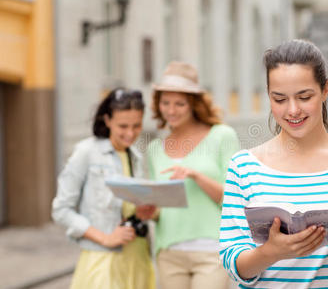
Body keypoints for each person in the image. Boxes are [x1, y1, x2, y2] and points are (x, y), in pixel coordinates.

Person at [219, 40, 328, 288]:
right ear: (268, 96)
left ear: (325, 90)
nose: (293, 110)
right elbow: (232, 262)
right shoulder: (243, 167)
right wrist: (271, 253)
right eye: (279, 99)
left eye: (304, 97)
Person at [138, 61, 240, 289]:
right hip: (169, 252)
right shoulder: (155, 149)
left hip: (212, 250)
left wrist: (196, 176)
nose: (171, 110)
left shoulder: (222, 136)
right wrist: (150, 212)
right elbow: (162, 207)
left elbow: (234, 199)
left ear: (193, 104)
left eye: (179, 104)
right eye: (165, 102)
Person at [52, 88, 155, 289]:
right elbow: (61, 210)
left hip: (138, 258)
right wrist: (106, 238)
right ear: (107, 120)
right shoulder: (86, 152)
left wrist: (142, 212)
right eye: (123, 126)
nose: (130, 133)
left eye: (137, 125)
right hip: (102, 262)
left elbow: (127, 207)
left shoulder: (136, 156)